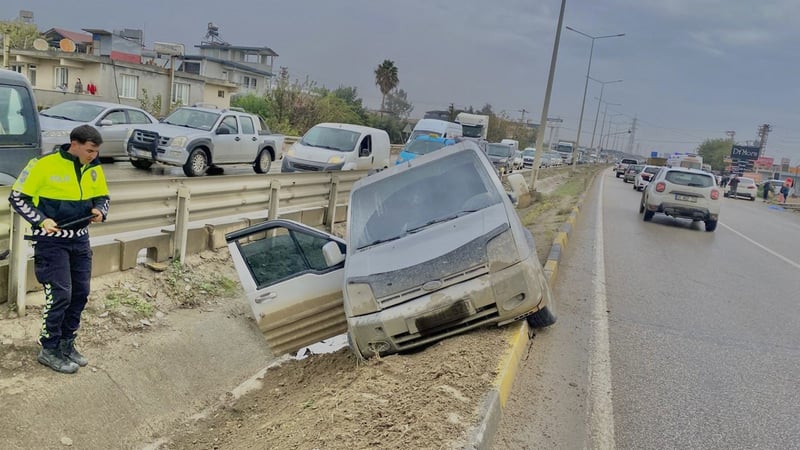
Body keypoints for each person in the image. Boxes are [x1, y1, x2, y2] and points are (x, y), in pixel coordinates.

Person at [8, 125, 110, 374]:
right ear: (74, 144)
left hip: (80, 240)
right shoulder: (43, 164)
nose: (93, 156)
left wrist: (100, 210)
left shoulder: (93, 167)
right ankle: (49, 347)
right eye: (89, 150)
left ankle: (67, 343)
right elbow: (17, 197)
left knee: (80, 293)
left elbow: (103, 197)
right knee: (60, 294)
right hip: (51, 242)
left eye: (96, 151)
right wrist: (41, 220)